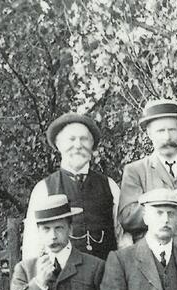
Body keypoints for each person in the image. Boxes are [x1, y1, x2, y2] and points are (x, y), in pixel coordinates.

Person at [117, 98, 177, 257]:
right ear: (149, 133)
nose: (167, 137)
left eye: (172, 130)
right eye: (160, 131)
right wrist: (169, 198)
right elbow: (127, 217)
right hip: (153, 255)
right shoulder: (136, 171)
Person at [23, 112, 124, 261]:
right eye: (71, 139)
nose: (78, 145)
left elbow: (123, 239)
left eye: (84, 139)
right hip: (61, 279)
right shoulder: (43, 189)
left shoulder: (110, 186)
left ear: (92, 146)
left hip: (106, 278)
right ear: (59, 144)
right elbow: (32, 245)